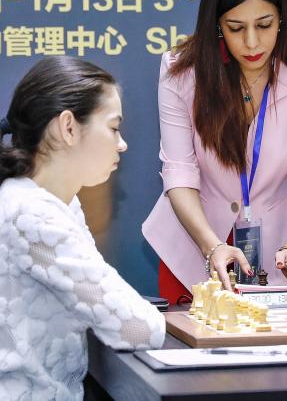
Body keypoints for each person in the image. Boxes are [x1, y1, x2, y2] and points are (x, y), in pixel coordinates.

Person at [142, 0, 287, 303]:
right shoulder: (182, 74)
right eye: (235, 27)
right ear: (217, 24)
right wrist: (212, 246)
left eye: (264, 25)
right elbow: (179, 173)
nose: (251, 42)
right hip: (194, 252)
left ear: (282, 19)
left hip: (273, 261)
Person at [0, 57, 166, 400]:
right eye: (113, 128)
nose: (122, 143)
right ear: (69, 128)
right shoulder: (34, 217)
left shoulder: (54, 204)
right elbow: (138, 328)